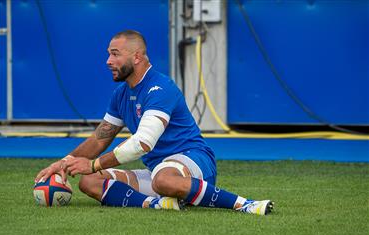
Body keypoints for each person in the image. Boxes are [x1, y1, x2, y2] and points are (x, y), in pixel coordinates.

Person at [35, 30, 273, 214]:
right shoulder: (121, 94)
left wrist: (95, 164)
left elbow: (142, 144)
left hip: (194, 162)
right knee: (89, 181)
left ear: (137, 56)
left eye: (115, 54)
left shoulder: (160, 88)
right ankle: (157, 205)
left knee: (162, 178)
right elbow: (100, 138)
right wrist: (65, 163)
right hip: (158, 172)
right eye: (108, 53)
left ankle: (245, 204)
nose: (108, 60)